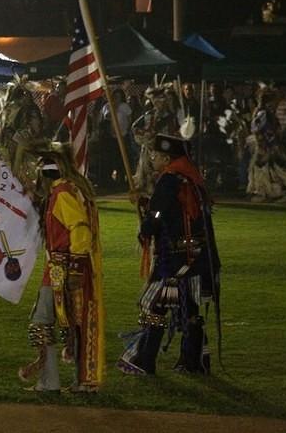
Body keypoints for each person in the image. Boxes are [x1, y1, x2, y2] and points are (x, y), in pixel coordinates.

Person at [119, 134, 221, 375]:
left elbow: (158, 215)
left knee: (155, 305)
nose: (152, 159)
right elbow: (174, 209)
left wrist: (145, 228)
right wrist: (145, 202)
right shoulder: (190, 178)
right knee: (188, 307)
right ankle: (194, 361)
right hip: (196, 255)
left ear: (166, 158)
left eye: (155, 155)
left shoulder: (169, 180)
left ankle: (144, 359)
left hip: (174, 258)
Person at [18, 148, 105, 393]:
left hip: (65, 268)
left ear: (45, 176)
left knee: (43, 323)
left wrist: (75, 268)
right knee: (73, 325)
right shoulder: (66, 190)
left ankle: (52, 383)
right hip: (61, 267)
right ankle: (75, 382)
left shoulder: (63, 193)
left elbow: (80, 229)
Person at [132, 86, 180, 195]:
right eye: (156, 101)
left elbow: (173, 133)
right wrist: (145, 135)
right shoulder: (148, 115)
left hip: (164, 151)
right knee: (147, 176)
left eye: (161, 101)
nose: (158, 104)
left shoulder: (170, 117)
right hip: (149, 150)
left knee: (164, 175)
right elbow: (134, 127)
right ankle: (150, 200)